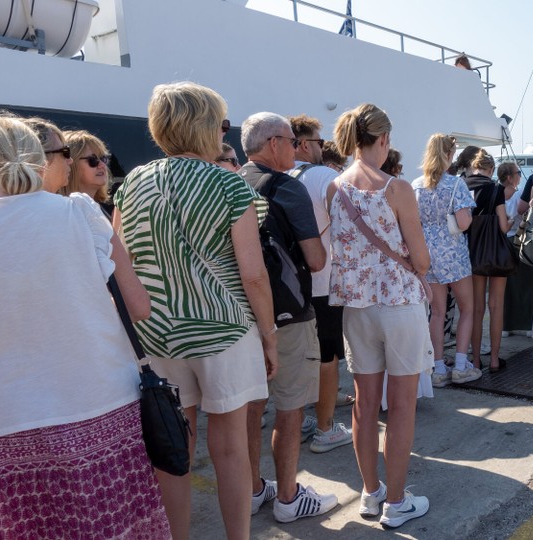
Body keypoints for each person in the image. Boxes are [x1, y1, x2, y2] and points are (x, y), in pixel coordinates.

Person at [0, 114, 168, 538]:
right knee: (116, 525)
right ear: (36, 161)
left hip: (2, 416)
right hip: (100, 400)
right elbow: (137, 306)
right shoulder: (80, 212)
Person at [114, 82, 277, 540]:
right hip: (223, 329)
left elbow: (122, 262)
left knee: (173, 445)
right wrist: (268, 334)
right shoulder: (227, 182)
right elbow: (253, 274)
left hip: (158, 332)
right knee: (229, 448)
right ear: (207, 126)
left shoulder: (132, 185)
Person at [326, 102, 432, 528]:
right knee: (402, 405)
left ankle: (371, 494)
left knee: (363, 403)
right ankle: (398, 502)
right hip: (399, 305)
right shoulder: (397, 188)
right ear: (383, 140)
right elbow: (421, 260)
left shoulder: (334, 188)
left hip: (357, 307)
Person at [236, 111, 337, 522]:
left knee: (250, 408)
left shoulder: (228, 182)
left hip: (240, 314)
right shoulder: (286, 188)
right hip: (288, 315)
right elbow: (315, 261)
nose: (296, 149)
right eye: (292, 142)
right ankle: (290, 498)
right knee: (290, 406)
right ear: (274, 144)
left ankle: (254, 488)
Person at [287, 113, 355, 454]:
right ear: (302, 143)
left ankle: (297, 423)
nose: (322, 147)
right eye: (318, 142)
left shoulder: (272, 176)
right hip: (322, 280)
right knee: (326, 357)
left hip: (284, 284)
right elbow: (349, 223)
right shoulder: (323, 176)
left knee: (293, 357)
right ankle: (326, 429)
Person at [413, 134, 478, 386]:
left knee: (437, 313)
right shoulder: (456, 184)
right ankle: (461, 366)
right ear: (450, 154)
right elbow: (463, 223)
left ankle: (438, 369)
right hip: (454, 254)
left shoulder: (416, 184)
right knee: (467, 309)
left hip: (428, 254)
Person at [463, 150, 511, 371]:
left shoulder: (462, 185)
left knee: (475, 309)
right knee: (496, 306)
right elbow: (503, 227)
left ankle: (474, 360)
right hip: (495, 254)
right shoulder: (496, 188)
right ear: (491, 169)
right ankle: (493, 360)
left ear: (474, 166)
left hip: (472, 253)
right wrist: (511, 222)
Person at [499, 161, 533, 337]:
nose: (520, 175)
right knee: (526, 283)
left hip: (502, 241)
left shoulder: (496, 194)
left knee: (506, 285)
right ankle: (526, 324)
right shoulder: (519, 194)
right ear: (510, 177)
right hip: (520, 239)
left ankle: (506, 325)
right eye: (518, 172)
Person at [63, 130, 113, 216]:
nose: (102, 165)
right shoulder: (65, 211)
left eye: (103, 158)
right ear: (71, 164)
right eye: (93, 160)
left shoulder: (101, 210)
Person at [23, 117, 72, 194]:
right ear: (41, 158)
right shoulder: (73, 205)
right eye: (65, 151)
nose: (70, 160)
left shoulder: (0, 204)